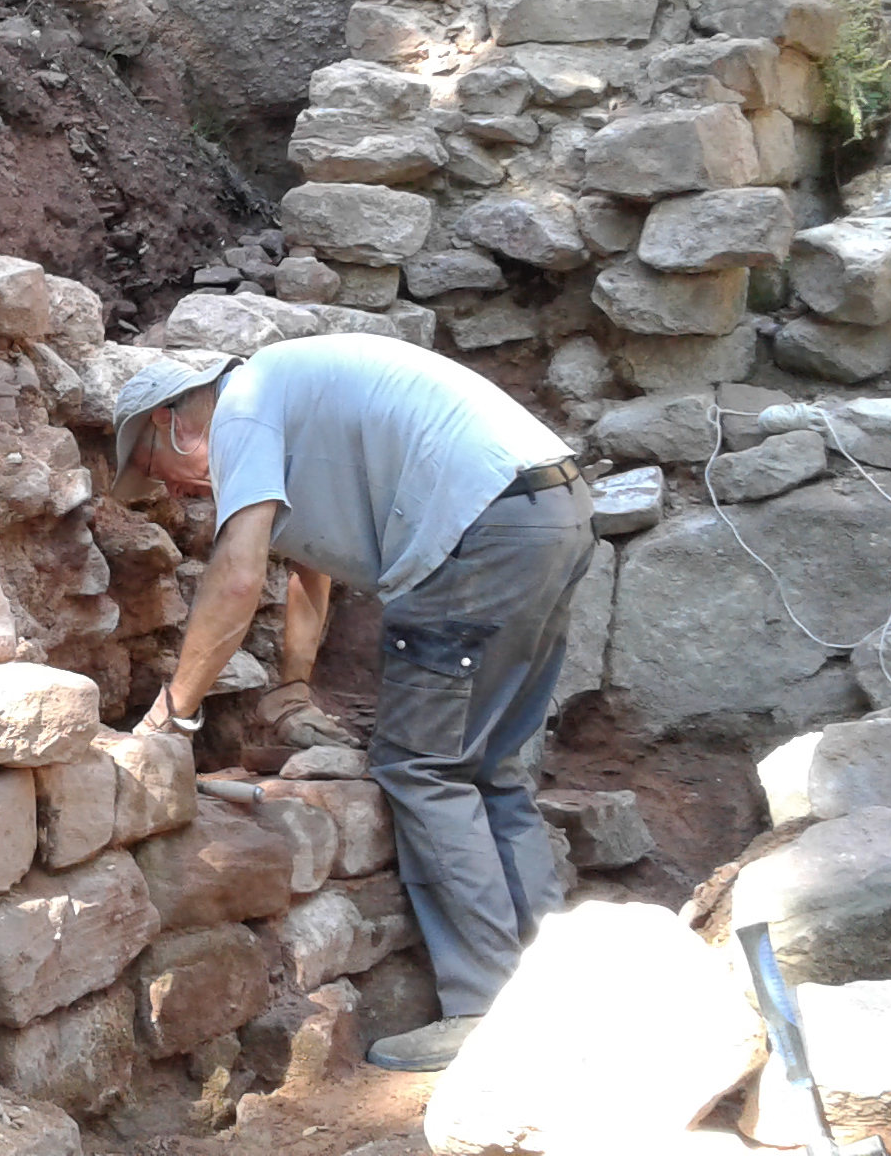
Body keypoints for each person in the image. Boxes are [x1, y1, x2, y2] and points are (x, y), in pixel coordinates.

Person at [109, 333, 593, 1072]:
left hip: (482, 530)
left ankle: (486, 1010)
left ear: (172, 420)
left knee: (423, 767)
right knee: (491, 769)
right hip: (550, 511)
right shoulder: (287, 401)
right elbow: (311, 571)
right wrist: (292, 685)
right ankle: (559, 988)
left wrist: (170, 714)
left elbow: (237, 579)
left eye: (155, 470)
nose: (172, 495)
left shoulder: (242, 409)